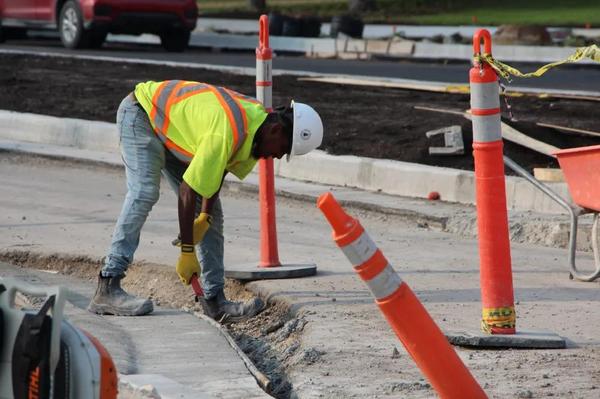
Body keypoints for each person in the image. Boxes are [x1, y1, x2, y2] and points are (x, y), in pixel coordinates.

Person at [87, 80, 323, 322]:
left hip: (175, 132)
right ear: (276, 131)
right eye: (282, 150)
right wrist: (187, 251)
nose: (277, 156)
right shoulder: (229, 129)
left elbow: (217, 170)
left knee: (213, 215)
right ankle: (108, 285)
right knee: (144, 192)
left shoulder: (257, 125)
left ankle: (214, 302)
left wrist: (204, 216)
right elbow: (188, 191)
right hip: (143, 114)